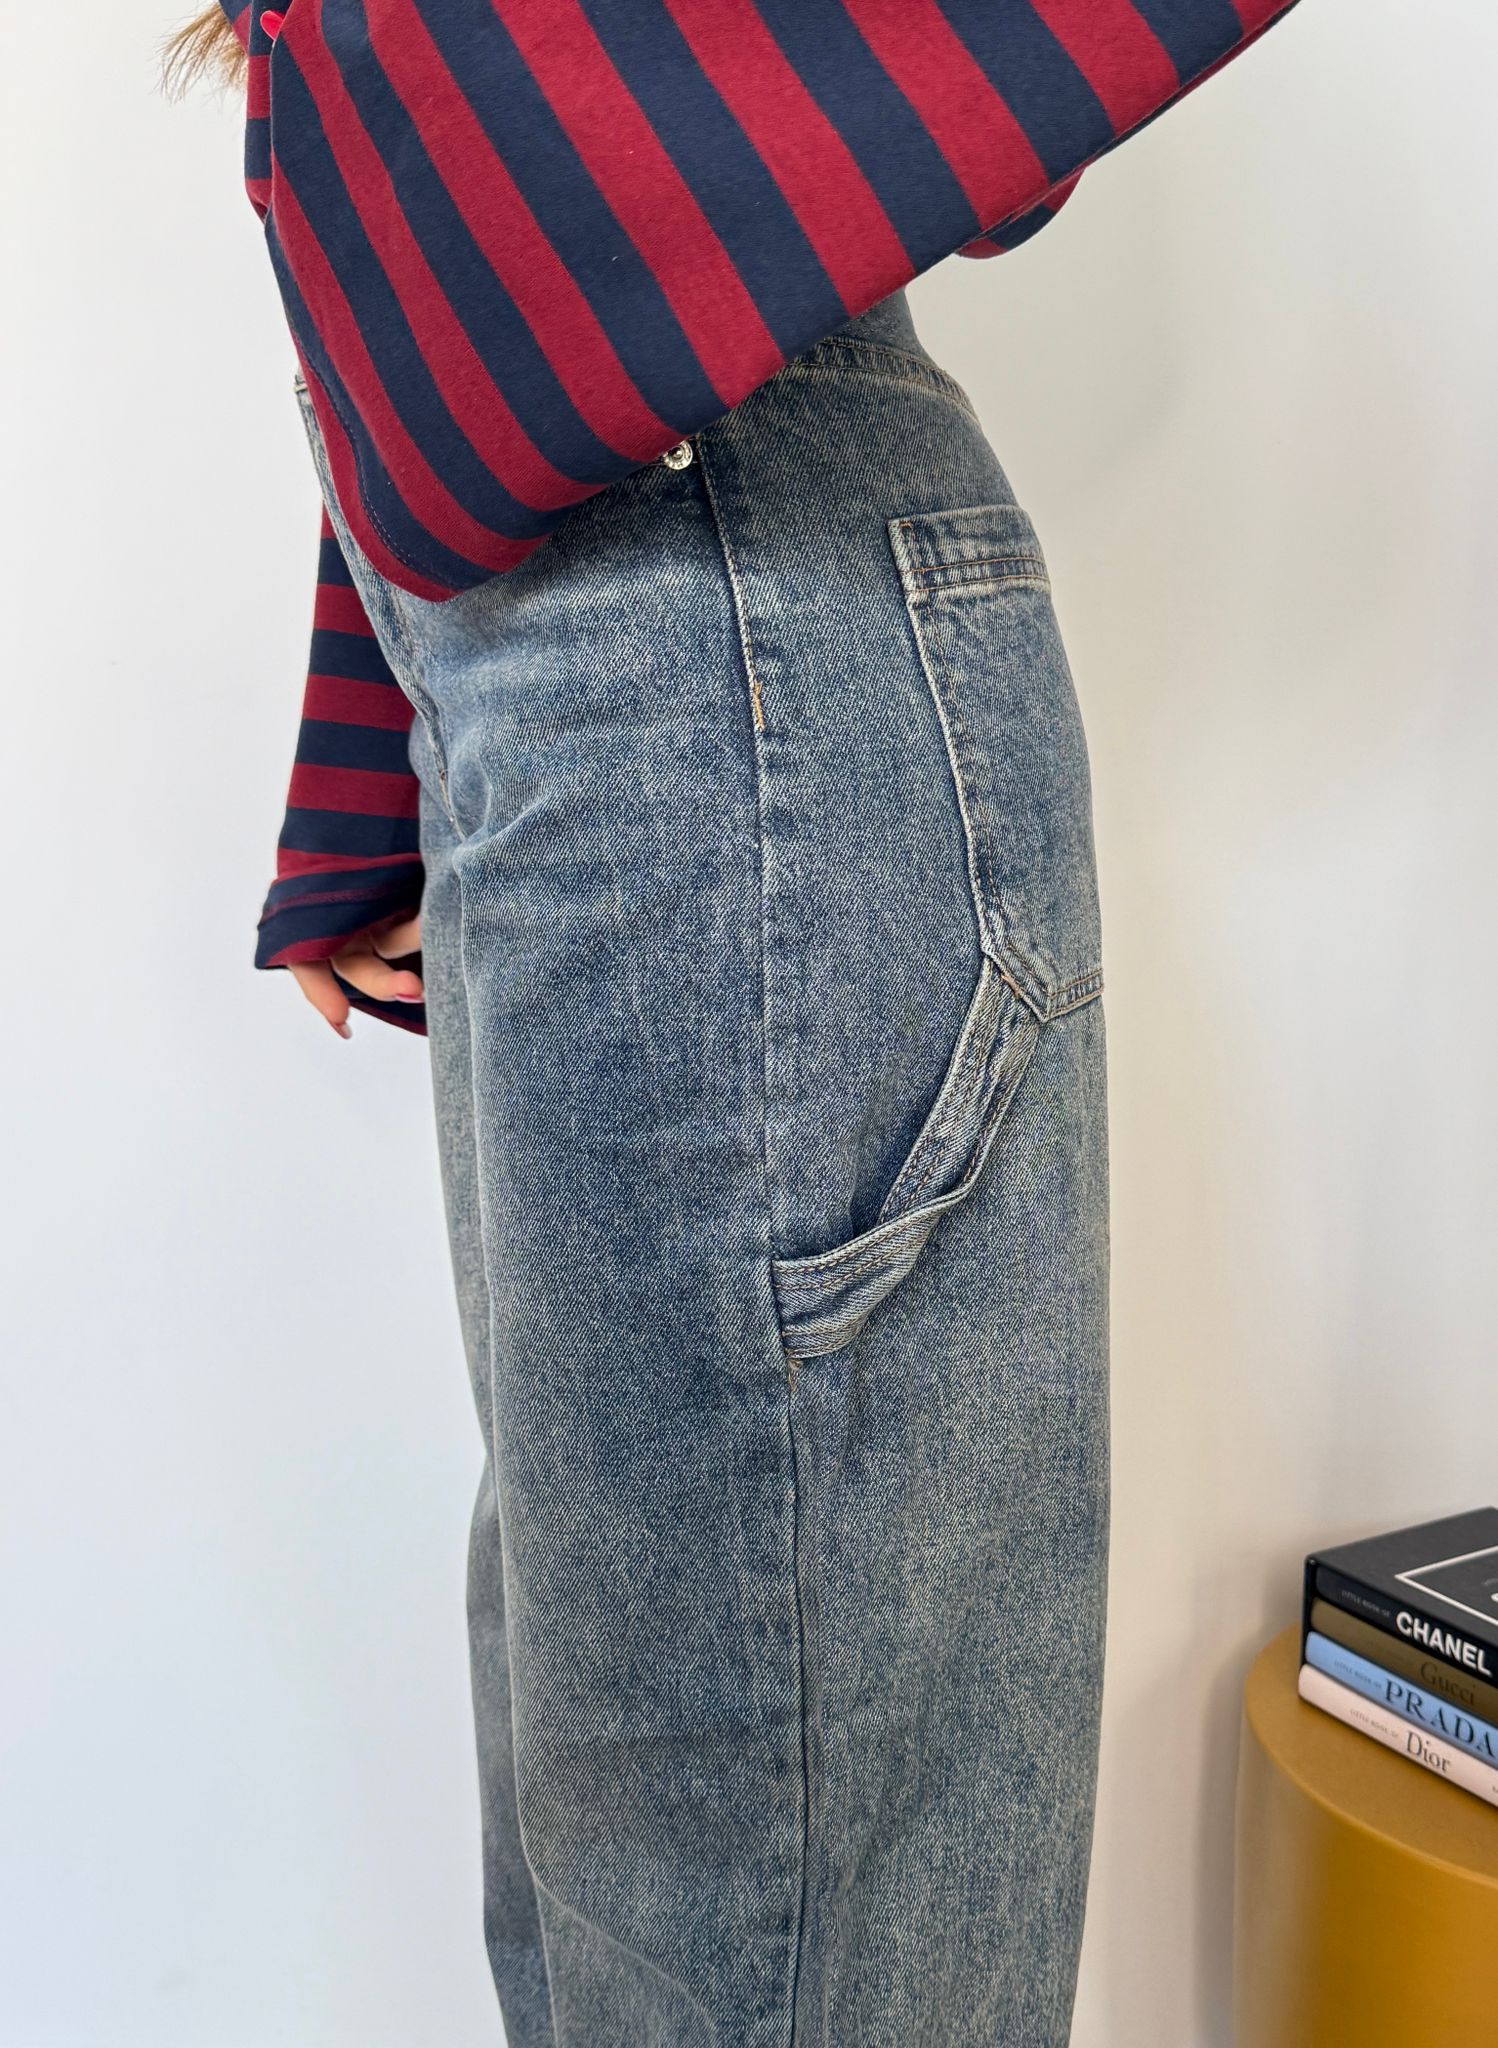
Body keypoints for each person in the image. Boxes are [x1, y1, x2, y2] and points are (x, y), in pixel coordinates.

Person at [166, 5, 1300, 2040]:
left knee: (748, 1856)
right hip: (593, 693)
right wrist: (371, 756)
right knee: (651, 1801)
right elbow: (446, 249)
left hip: (729, 653)